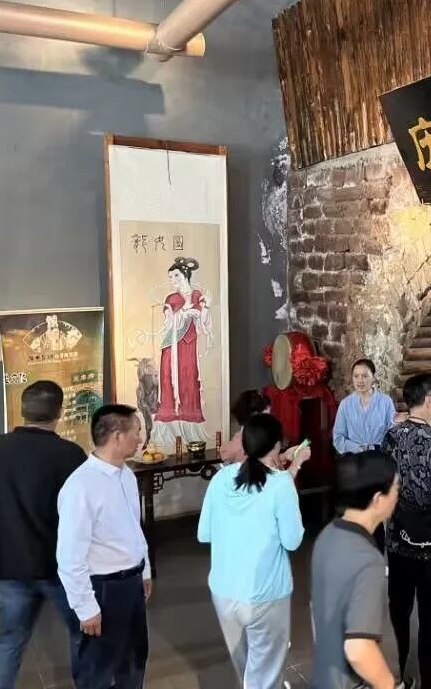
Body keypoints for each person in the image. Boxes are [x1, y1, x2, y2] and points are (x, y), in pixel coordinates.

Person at [0, 381, 85, 689]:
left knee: (11, 639)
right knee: (83, 633)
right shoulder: (69, 454)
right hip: (58, 565)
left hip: (11, 564)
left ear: (23, 410)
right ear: (59, 412)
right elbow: (84, 512)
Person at [198, 413, 309, 689]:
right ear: (276, 445)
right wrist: (295, 466)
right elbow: (292, 540)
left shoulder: (221, 478)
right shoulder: (281, 484)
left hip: (224, 591)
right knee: (265, 673)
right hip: (265, 594)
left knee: (246, 666)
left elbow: (204, 533)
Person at [57, 404, 153, 689]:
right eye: (136, 431)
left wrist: (144, 569)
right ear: (117, 436)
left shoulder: (126, 475)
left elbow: (134, 528)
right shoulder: (80, 487)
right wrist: (85, 607)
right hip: (103, 589)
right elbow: (69, 556)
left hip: (131, 583)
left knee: (134, 659)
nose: (140, 438)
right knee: (98, 667)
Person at [381, 373, 431, 689]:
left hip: (398, 538)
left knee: (398, 612)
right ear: (430, 400)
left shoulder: (391, 435)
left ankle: (397, 677)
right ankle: (429, 682)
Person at [311, 451, 401, 689]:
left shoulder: (328, 535)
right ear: (378, 498)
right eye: (395, 488)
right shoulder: (367, 560)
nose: (397, 494)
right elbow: (359, 649)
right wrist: (387, 684)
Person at [333, 359, 402, 553]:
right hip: (354, 464)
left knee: (376, 512)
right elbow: (338, 438)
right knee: (356, 511)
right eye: (356, 376)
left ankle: (377, 556)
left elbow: (391, 433)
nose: (360, 380)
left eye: (365, 376)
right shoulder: (346, 405)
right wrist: (357, 448)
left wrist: (397, 425)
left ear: (373, 377)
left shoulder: (385, 402)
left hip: (379, 462)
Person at [151, 256, 212, 447]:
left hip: (189, 345)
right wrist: (183, 312)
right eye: (171, 277)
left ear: (186, 275)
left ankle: (190, 426)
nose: (173, 280)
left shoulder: (197, 295)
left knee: (189, 379)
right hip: (172, 346)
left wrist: (206, 307)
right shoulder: (171, 299)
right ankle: (170, 426)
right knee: (170, 380)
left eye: (176, 275)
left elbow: (205, 323)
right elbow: (168, 324)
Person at [219, 389, 272, 464]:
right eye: (266, 410)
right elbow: (227, 453)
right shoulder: (245, 438)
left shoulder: (243, 437)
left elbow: (225, 453)